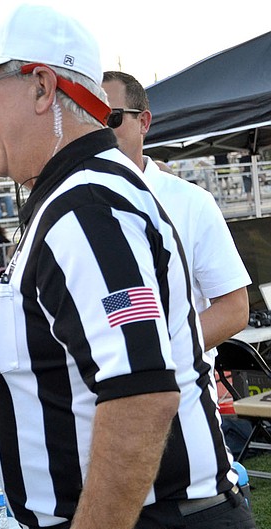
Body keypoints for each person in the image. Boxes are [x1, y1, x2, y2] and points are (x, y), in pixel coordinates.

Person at [0, 5, 261, 529]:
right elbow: (74, 364)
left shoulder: (87, 207)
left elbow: (142, 391)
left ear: (40, 86)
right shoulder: (78, 198)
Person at [101, 71, 250, 358]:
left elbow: (234, 309)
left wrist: (154, 359)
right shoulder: (71, 208)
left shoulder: (191, 202)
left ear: (143, 122)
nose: (101, 129)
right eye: (91, 118)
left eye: (112, 117)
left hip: (183, 395)